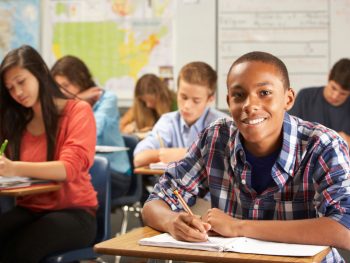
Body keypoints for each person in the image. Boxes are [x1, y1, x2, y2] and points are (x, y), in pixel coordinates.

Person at [142, 51, 350, 262]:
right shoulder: (216, 138)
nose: (249, 105)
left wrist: (238, 227)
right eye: (239, 95)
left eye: (264, 92)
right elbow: (155, 202)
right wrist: (172, 221)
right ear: (228, 101)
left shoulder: (323, 145)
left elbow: (345, 229)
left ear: (288, 99)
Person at [0, 45, 97, 263]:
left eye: (21, 82)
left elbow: (68, 168)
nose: (17, 93)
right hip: (30, 209)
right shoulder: (18, 120)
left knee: (19, 250)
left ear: (39, 73)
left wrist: (13, 167)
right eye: (10, 88)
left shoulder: (78, 111)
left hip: (75, 213)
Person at [51, 55, 131, 198]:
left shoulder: (107, 98)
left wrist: (78, 102)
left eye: (66, 86)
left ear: (80, 81)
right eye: (57, 87)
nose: (61, 92)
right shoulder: (61, 106)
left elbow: (91, 131)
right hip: (84, 170)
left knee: (69, 184)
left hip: (113, 171)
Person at [133, 62, 228, 167]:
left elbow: (229, 161)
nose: (187, 105)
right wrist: (162, 154)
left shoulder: (223, 125)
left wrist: (185, 154)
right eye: (183, 97)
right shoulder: (168, 122)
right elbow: (138, 158)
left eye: (196, 100)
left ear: (210, 99)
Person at [289, 58, 350, 145]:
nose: (335, 96)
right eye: (333, 88)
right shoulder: (305, 97)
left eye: (343, 94)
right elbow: (288, 130)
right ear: (329, 75)